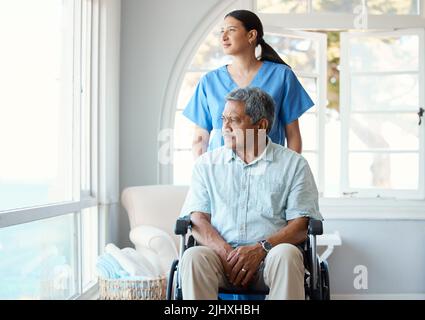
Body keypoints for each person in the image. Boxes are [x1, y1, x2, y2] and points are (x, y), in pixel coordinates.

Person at [179, 87, 323, 300]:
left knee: (287, 254)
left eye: (234, 120)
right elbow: (198, 219)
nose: (224, 127)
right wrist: (228, 254)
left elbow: (301, 224)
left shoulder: (294, 165)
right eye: (223, 119)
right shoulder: (206, 165)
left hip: (270, 257)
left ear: (261, 125)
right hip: (220, 257)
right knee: (193, 257)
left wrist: (261, 249)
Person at [183, 9, 314, 158]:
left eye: (231, 30)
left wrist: (289, 172)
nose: (224, 37)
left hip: (269, 170)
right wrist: (204, 173)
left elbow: (293, 134)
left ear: (251, 35)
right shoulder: (209, 81)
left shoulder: (282, 76)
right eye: (222, 31)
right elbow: (200, 136)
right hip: (221, 172)